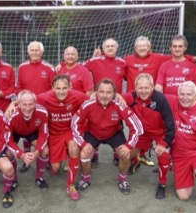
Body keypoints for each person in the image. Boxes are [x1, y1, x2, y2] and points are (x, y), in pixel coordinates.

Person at [6, 74, 89, 201]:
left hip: (68, 131)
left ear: (70, 87)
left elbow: (92, 99)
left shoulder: (78, 96)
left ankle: (70, 185)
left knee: (74, 148)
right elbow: (28, 101)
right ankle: (55, 162)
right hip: (54, 134)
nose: (61, 91)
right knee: (55, 169)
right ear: (52, 88)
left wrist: (116, 96)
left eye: (64, 88)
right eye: (58, 88)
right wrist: (13, 104)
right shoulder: (44, 98)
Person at [72, 78, 143, 195]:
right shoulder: (88, 104)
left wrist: (129, 146)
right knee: (84, 153)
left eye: (109, 92)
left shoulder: (120, 105)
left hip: (114, 133)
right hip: (93, 133)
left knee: (125, 154)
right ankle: (85, 178)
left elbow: (137, 127)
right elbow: (75, 123)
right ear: (96, 92)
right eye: (102, 92)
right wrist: (83, 144)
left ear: (114, 94)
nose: (105, 96)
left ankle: (122, 179)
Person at [123, 73, 175, 199]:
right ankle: (135, 162)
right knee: (127, 154)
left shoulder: (160, 99)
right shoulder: (131, 97)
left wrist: (162, 144)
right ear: (135, 87)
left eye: (146, 88)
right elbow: (114, 97)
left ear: (152, 87)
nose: (143, 91)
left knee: (162, 155)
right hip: (141, 133)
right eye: (140, 88)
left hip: (159, 133)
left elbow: (170, 125)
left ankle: (162, 185)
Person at [83, 38, 127, 167]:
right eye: (107, 46)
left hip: (115, 101)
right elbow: (79, 67)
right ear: (103, 48)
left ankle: (116, 155)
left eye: (113, 46)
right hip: (98, 99)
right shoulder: (95, 61)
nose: (110, 48)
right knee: (95, 124)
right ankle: (94, 155)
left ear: (117, 48)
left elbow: (128, 77)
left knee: (116, 125)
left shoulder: (123, 63)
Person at [17, 41, 56, 171]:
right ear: (28, 52)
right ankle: (27, 159)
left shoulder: (49, 68)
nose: (34, 52)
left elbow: (53, 89)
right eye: (32, 50)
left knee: (45, 132)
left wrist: (39, 99)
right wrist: (23, 99)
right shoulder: (22, 67)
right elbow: (19, 87)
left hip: (43, 108)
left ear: (41, 52)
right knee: (25, 130)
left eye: (37, 50)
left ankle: (47, 158)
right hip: (26, 107)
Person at [4, 90, 50, 190]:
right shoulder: (10, 115)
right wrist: (21, 155)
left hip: (32, 131)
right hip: (16, 132)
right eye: (24, 104)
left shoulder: (43, 112)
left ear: (35, 103)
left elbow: (44, 134)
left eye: (31, 104)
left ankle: (39, 177)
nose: (28, 108)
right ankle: (13, 179)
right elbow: (8, 140)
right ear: (18, 104)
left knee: (45, 151)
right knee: (8, 153)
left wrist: (37, 152)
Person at [155, 35, 196, 100]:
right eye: (174, 46)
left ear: (185, 48)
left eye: (180, 46)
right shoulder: (164, 66)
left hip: (186, 103)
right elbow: (159, 87)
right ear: (170, 48)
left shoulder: (193, 66)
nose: (177, 49)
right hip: (169, 103)